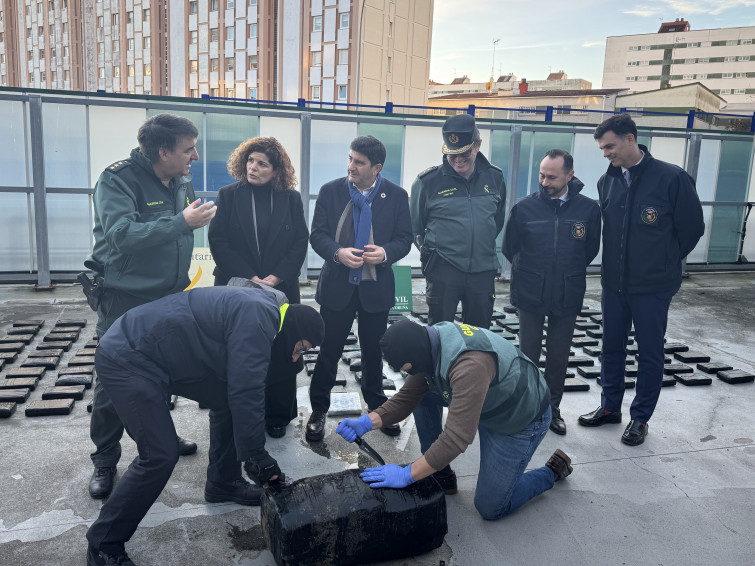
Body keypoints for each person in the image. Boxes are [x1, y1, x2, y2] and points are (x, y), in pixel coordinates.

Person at [85, 284, 324, 566]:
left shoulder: (266, 311)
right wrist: (256, 456)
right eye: (300, 348)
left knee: (226, 399)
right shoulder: (260, 316)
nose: (295, 358)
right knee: (160, 455)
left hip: (155, 353)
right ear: (294, 331)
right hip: (128, 357)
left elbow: (238, 388)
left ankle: (223, 482)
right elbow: (247, 389)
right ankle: (103, 544)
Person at [84, 114, 217, 499]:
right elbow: (122, 235)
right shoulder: (118, 179)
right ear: (163, 151)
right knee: (112, 379)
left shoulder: (180, 179)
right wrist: (182, 223)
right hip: (124, 296)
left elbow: (182, 223)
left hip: (168, 294)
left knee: (162, 371)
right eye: (187, 149)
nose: (194, 155)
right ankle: (105, 460)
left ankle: (161, 438)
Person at [336, 319, 572, 521]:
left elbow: (456, 439)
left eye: (408, 369)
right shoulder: (430, 341)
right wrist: (367, 422)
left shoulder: (468, 365)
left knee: (491, 507)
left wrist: (407, 474)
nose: (408, 374)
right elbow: (408, 396)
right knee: (423, 393)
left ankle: (551, 472)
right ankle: (441, 473)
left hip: (519, 419)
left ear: (413, 360)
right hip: (486, 402)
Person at [578, 114, 704, 445]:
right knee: (611, 347)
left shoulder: (671, 178)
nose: (606, 154)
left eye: (610, 146)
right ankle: (609, 408)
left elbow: (692, 229)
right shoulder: (608, 182)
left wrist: (663, 262)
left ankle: (640, 418)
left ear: (630, 139)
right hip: (615, 284)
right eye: (602, 148)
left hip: (652, 286)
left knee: (649, 352)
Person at [306, 135, 412, 442]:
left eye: (359, 162)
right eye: (350, 159)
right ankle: (318, 411)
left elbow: (405, 238)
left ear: (376, 167)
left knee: (374, 352)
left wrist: (386, 253)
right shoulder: (330, 191)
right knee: (328, 352)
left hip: (375, 289)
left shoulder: (396, 196)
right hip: (338, 286)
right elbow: (318, 235)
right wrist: (337, 253)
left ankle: (378, 409)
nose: (351, 166)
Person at [208, 136, 309, 438]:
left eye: (262, 164)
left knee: (282, 347)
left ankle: (278, 414)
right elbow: (219, 241)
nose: (253, 167)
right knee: (238, 349)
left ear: (277, 170)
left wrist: (276, 278)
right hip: (238, 285)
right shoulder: (228, 195)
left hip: (280, 287)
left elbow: (298, 242)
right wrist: (251, 277)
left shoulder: (290, 199)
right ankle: (237, 411)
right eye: (250, 161)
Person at [503, 149, 601, 436]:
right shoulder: (524, 208)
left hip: (567, 294)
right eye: (542, 175)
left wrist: (565, 272)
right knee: (528, 355)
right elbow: (510, 248)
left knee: (559, 357)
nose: (545, 182)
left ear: (569, 175)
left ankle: (551, 410)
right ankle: (527, 409)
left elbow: (589, 249)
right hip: (530, 293)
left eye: (552, 177)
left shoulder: (588, 210)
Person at [410, 113, 507, 328]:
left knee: (480, 335)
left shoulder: (495, 178)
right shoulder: (427, 182)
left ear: (477, 145)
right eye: (452, 154)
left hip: (483, 270)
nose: (458, 159)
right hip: (444, 270)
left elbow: (496, 221)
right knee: (441, 334)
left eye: (464, 152)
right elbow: (416, 227)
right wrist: (432, 255)